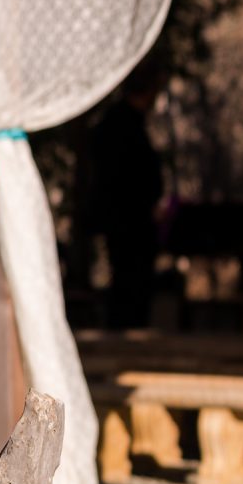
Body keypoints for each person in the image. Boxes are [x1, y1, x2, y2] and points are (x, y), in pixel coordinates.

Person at [79, 65, 166, 330]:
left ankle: (128, 331)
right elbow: (124, 177)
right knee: (129, 283)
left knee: (131, 284)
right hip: (128, 220)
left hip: (128, 218)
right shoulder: (120, 125)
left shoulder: (121, 123)